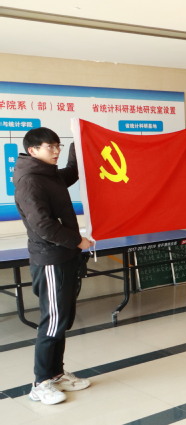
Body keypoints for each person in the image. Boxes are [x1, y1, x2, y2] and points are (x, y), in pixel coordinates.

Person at [14, 127, 93, 405]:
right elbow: (43, 226)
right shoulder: (30, 181)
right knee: (53, 321)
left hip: (64, 256)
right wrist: (77, 241)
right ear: (33, 150)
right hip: (50, 258)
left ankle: (56, 374)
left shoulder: (49, 174)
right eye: (51, 147)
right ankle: (40, 383)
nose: (56, 151)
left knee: (62, 319)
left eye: (58, 145)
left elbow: (72, 171)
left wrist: (79, 141)